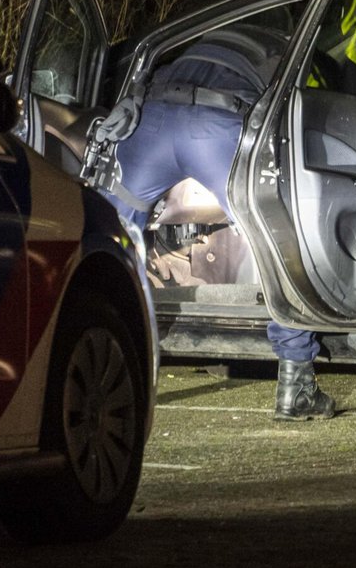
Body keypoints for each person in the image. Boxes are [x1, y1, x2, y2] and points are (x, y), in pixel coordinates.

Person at [94, 21, 339, 422]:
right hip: (215, 126)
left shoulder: (203, 36)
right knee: (277, 242)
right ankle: (296, 385)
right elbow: (303, 109)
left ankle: (107, 372)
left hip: (153, 121)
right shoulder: (288, 42)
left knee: (111, 242)